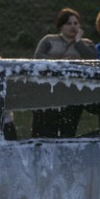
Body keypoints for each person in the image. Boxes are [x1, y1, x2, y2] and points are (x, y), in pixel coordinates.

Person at [32, 7, 96, 138]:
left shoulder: (87, 43)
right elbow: (37, 58)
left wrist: (78, 42)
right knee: (44, 130)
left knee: (68, 131)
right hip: (48, 91)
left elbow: (93, 60)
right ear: (61, 26)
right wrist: (61, 63)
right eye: (69, 23)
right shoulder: (48, 40)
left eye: (76, 23)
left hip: (73, 92)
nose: (73, 26)